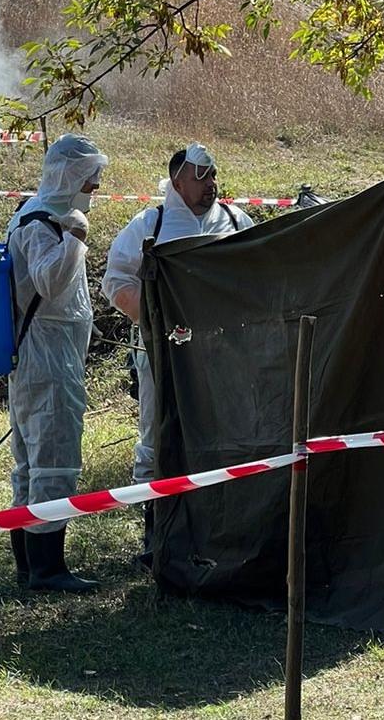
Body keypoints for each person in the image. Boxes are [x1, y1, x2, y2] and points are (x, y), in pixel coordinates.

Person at [101, 143, 254, 564]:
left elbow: (258, 278)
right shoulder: (152, 224)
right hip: (163, 355)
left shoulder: (236, 221)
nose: (211, 184)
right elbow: (116, 282)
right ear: (177, 182)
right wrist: (156, 324)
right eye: (200, 176)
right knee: (159, 434)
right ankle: (159, 539)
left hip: (224, 354)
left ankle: (219, 533)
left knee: (225, 434)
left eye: (213, 175)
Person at [6, 133, 108, 593]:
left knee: (33, 462)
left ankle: (31, 565)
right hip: (46, 361)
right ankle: (47, 569)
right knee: (52, 459)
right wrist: (75, 239)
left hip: (46, 356)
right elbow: (49, 282)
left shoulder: (43, 215)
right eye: (91, 179)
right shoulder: (43, 222)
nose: (96, 187)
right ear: (71, 176)